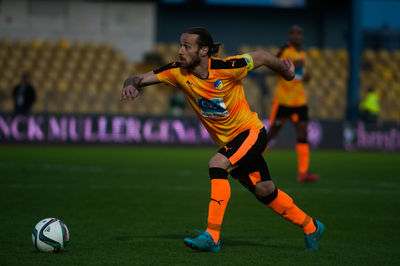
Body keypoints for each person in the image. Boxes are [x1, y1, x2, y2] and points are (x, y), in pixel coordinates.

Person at [120, 27, 324, 252]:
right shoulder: (177, 72)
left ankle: (212, 236)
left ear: (204, 50)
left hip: (251, 134)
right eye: (180, 45)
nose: (180, 51)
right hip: (231, 144)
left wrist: (287, 74)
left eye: (186, 46)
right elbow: (138, 78)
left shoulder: (228, 68)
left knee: (217, 164)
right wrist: (130, 84)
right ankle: (311, 226)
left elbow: (264, 57)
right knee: (265, 191)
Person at [267, 25, 319, 183]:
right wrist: (291, 66)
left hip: (299, 101)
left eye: (299, 33)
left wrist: (305, 78)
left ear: (302, 36)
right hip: (283, 101)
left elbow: (297, 76)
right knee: (272, 134)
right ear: (290, 35)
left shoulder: (303, 53)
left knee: (303, 132)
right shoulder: (284, 51)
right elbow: (271, 70)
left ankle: (303, 173)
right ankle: (250, 163)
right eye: (293, 33)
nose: (296, 36)